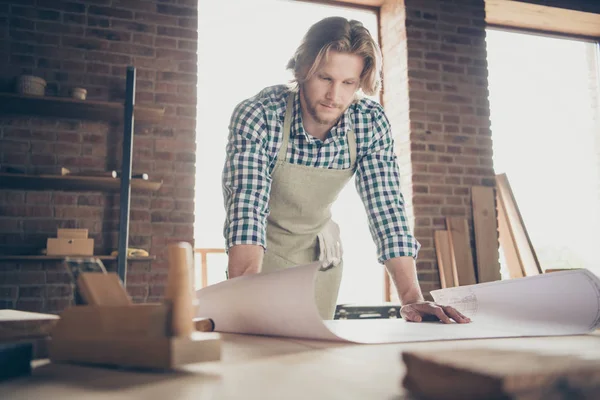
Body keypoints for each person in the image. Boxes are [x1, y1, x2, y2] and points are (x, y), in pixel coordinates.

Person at [222, 16, 471, 324]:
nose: (335, 96)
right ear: (301, 69)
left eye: (348, 83)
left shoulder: (368, 122)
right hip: (257, 258)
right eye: (325, 78)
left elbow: (387, 210)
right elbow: (247, 208)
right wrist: (243, 296)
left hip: (320, 259)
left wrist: (412, 299)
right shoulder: (259, 115)